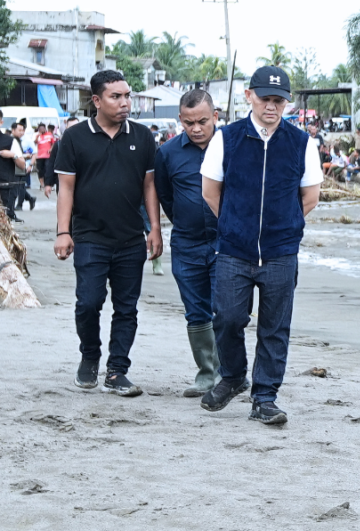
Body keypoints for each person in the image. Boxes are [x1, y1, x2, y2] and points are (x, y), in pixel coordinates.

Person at [200, 66, 322, 425]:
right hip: (234, 250)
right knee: (227, 317)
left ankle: (265, 397)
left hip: (281, 252)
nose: (272, 106)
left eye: (278, 100)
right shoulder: (227, 138)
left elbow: (310, 197)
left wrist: (282, 225)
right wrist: (236, 223)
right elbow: (210, 191)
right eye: (265, 98)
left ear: (286, 103)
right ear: (249, 96)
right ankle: (234, 375)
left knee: (274, 326)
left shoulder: (301, 143)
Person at [52, 70, 163, 397]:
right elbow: (66, 188)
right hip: (89, 237)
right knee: (88, 302)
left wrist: (154, 228)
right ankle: (90, 356)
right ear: (96, 100)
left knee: (127, 308)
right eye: (116, 97)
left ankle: (117, 371)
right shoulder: (74, 138)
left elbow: (149, 186)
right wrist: (62, 232)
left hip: (131, 240)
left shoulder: (143, 137)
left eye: (127, 95)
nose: (125, 102)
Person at [155, 89, 221, 398]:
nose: (196, 129)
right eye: (189, 122)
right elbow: (165, 196)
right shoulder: (168, 153)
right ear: (180, 119)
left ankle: (231, 374)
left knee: (229, 311)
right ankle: (207, 374)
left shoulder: (231, 146)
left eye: (203, 121)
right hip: (187, 243)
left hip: (228, 243)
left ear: (215, 117)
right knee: (196, 311)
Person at [44, 118, 79, 198]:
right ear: (66, 128)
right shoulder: (59, 145)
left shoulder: (85, 144)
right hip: (63, 184)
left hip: (81, 184)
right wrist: (48, 184)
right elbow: (51, 163)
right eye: (71, 127)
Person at [0, 127, 26, 222]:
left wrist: (13, 155)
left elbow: (22, 165)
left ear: (1, 122)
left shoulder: (10, 141)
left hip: (5, 189)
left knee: (4, 222)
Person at [11, 122, 36, 212]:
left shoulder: (27, 140)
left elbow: (34, 153)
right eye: (19, 130)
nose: (22, 132)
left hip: (24, 166)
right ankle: (30, 198)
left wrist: (30, 165)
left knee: (21, 185)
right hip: (12, 166)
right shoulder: (10, 140)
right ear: (13, 130)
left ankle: (19, 205)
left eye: (23, 130)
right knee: (16, 186)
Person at [36, 123, 55, 195]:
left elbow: (53, 143)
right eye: (40, 129)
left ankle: (48, 184)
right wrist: (37, 136)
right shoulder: (37, 136)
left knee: (48, 170)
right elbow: (34, 143)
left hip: (48, 155)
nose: (41, 130)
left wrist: (51, 149)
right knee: (40, 171)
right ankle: (42, 184)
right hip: (39, 156)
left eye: (43, 128)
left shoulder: (49, 135)